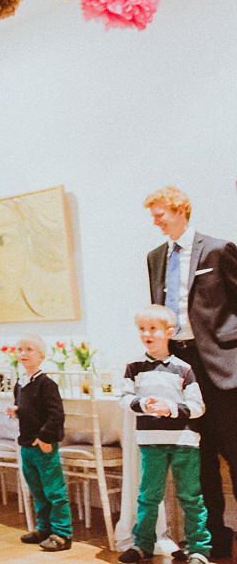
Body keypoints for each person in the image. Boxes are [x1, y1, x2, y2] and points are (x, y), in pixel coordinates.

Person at [144, 186, 237, 560]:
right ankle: (213, 540)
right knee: (197, 459)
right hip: (180, 369)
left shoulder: (217, 249)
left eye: (159, 212)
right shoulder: (153, 258)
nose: (154, 220)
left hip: (222, 367)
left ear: (180, 209)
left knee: (233, 452)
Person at [117, 304, 211, 564]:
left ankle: (199, 549)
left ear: (169, 332)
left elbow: (197, 407)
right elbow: (124, 398)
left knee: (191, 497)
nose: (146, 333)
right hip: (151, 442)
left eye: (153, 328)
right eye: (142, 329)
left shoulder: (184, 369)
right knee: (148, 496)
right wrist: (143, 404)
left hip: (184, 442)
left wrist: (170, 409)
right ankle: (143, 545)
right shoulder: (134, 368)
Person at [7, 335, 72, 552]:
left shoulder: (46, 384)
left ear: (41, 356)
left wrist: (44, 438)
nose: (23, 353)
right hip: (26, 444)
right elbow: (27, 409)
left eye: (29, 350)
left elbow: (56, 415)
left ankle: (63, 532)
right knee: (37, 489)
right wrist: (16, 411)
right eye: (20, 349)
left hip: (43, 444)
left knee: (54, 490)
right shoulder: (20, 384)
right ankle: (43, 528)